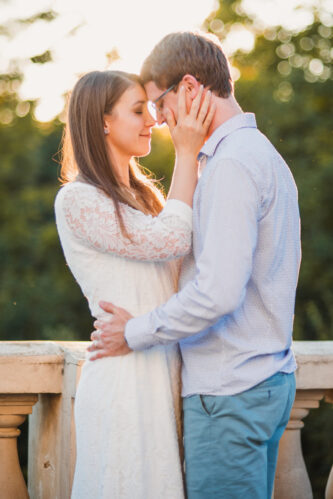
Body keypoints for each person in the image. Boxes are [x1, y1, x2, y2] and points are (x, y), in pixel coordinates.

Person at [89, 32, 302, 499]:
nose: (159, 120)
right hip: (264, 381)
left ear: (189, 87)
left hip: (229, 393)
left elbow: (219, 291)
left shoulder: (230, 166)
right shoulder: (259, 152)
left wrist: (134, 331)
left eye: (159, 104)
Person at [54, 69, 215, 498]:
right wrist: (187, 152)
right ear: (103, 121)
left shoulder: (146, 198)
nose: (153, 121)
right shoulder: (77, 198)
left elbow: (187, 262)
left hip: (163, 367)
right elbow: (173, 238)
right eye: (139, 110)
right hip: (124, 381)